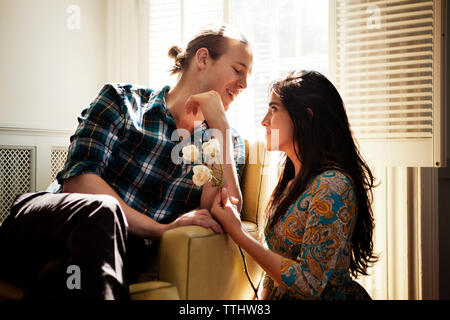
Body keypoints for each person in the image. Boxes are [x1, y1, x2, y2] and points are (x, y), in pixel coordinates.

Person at [0, 24, 253, 299]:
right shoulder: (121, 100)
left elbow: (223, 209)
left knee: (61, 279)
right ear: (203, 59)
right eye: (238, 70)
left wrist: (221, 130)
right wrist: (161, 230)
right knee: (105, 210)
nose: (244, 84)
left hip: (104, 256)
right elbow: (79, 182)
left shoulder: (223, 141)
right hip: (44, 227)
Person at [210, 70, 378, 300]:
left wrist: (238, 233)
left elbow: (309, 284)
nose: (264, 120)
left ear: (305, 118)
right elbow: (277, 262)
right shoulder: (291, 183)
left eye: (274, 109)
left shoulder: (334, 186)